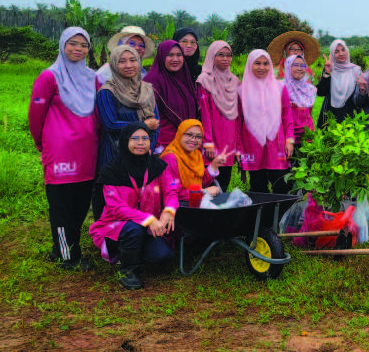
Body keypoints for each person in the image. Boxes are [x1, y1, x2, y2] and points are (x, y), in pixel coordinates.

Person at [29, 27, 101, 271]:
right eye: (72, 43)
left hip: (88, 152)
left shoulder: (93, 78)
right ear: (62, 44)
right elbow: (36, 117)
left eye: (83, 44)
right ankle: (67, 256)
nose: (78, 49)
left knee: (81, 203)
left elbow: (99, 114)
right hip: (60, 153)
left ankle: (66, 247)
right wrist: (44, 144)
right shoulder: (49, 77)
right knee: (61, 205)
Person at [89, 122, 180, 290]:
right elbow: (116, 208)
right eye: (135, 138)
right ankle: (127, 269)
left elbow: (171, 191)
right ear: (125, 141)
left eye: (145, 138)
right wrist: (147, 219)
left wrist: (169, 210)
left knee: (163, 255)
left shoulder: (157, 166)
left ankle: (133, 252)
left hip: (148, 226)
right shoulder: (112, 171)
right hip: (117, 225)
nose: (140, 143)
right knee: (134, 228)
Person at [96, 44, 160, 174]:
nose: (129, 65)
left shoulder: (146, 89)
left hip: (143, 155)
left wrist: (149, 149)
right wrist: (142, 125)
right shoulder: (107, 92)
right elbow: (110, 124)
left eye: (133, 60)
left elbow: (155, 123)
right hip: (116, 154)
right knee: (116, 192)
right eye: (122, 61)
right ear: (114, 64)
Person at [238, 50, 295, 194]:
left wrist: (289, 140)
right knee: (258, 185)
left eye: (265, 64)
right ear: (250, 65)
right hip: (252, 143)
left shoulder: (280, 87)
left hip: (276, 143)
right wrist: (238, 148)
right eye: (257, 63)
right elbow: (237, 121)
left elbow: (287, 115)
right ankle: (262, 216)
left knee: (281, 183)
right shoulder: (241, 90)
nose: (262, 67)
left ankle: (280, 215)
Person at [195, 41, 240, 192]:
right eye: (220, 55)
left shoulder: (234, 81)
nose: (225, 59)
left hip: (229, 139)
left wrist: (238, 145)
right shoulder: (205, 80)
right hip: (213, 140)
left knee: (224, 182)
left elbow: (239, 116)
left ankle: (222, 214)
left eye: (228, 55)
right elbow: (205, 114)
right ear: (211, 56)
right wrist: (208, 142)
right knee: (210, 185)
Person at [160, 119, 232, 206]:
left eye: (198, 136)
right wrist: (204, 192)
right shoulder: (170, 158)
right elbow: (173, 192)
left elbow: (199, 183)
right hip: (177, 207)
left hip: (194, 203)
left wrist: (214, 165)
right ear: (179, 134)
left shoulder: (196, 154)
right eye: (189, 135)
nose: (193, 139)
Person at [144, 40, 199, 152]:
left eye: (179, 55)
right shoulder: (152, 82)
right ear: (161, 56)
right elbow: (146, 116)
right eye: (170, 55)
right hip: (164, 147)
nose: (175, 59)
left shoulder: (184, 79)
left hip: (187, 143)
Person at [317, 39, 365, 126]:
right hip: (330, 116)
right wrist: (327, 73)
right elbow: (320, 92)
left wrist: (363, 90)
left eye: (343, 50)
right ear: (332, 54)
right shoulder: (330, 68)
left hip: (350, 115)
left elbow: (361, 99)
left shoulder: (356, 70)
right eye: (336, 51)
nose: (341, 54)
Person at [282, 54, 317, 146]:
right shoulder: (281, 88)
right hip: (288, 139)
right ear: (288, 66)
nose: (300, 68)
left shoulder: (310, 89)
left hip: (307, 136)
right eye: (296, 65)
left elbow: (309, 113)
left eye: (303, 65)